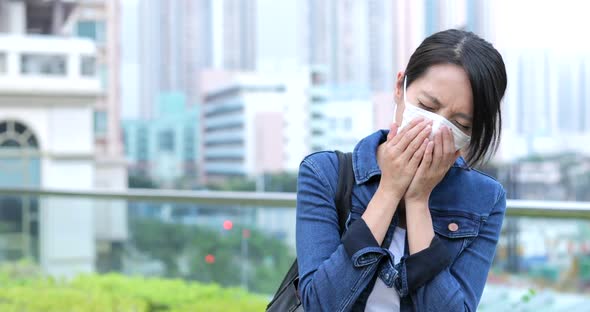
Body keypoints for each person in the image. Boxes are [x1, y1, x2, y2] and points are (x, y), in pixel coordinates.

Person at [295, 29, 508, 311]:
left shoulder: (485, 198)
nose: (437, 129)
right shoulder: (324, 174)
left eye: (461, 124)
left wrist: (419, 202)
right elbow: (320, 304)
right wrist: (390, 190)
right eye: (428, 106)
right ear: (400, 88)